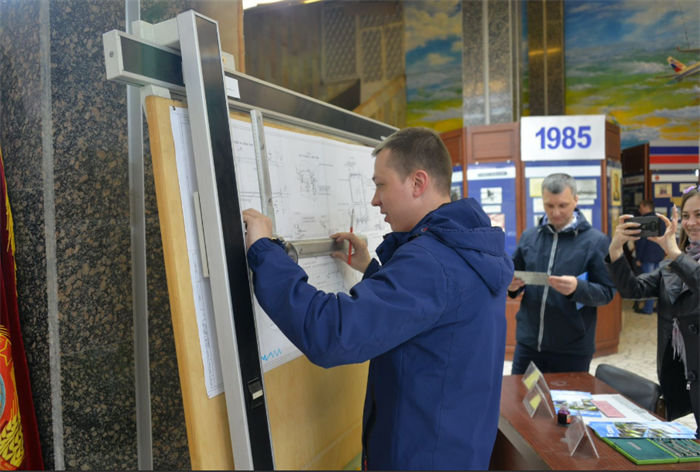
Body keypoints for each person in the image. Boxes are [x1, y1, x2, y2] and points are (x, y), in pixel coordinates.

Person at [242, 127, 514, 470]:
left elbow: (332, 334)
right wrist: (371, 269)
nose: (374, 200)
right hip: (455, 449)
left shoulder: (432, 262)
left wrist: (265, 252)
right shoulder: (467, 248)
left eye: (381, 185)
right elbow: (430, 317)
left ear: (418, 182)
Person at [606, 185, 700, 436]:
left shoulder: (677, 259)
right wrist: (616, 249)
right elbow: (632, 290)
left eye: (699, 215)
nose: (691, 223)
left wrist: (675, 253)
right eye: (686, 215)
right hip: (687, 376)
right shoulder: (673, 265)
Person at [508, 173, 615, 375]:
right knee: (520, 395)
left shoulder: (596, 241)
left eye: (563, 205)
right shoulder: (529, 236)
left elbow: (607, 292)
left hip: (572, 348)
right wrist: (510, 286)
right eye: (549, 205)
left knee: (567, 398)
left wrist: (577, 288)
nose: (555, 212)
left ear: (576, 200)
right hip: (529, 344)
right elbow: (513, 276)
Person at [632, 199, 666, 314]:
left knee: (649, 283)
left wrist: (638, 258)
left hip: (647, 256)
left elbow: (642, 242)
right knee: (657, 282)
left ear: (647, 208)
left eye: (641, 207)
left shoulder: (645, 220)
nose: (639, 210)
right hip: (659, 255)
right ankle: (658, 307)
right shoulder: (660, 219)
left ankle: (648, 308)